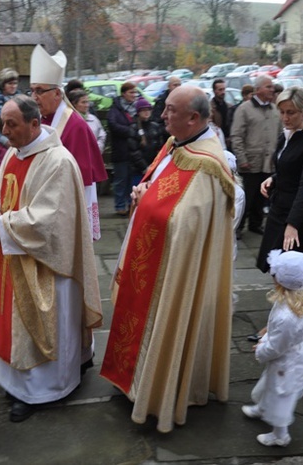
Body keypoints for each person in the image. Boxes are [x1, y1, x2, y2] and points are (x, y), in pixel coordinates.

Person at [101, 86, 235, 433]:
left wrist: (146, 201)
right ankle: (135, 381)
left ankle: (159, 388)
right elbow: (160, 187)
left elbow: (186, 222)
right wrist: (143, 193)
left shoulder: (208, 164)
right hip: (152, 259)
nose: (162, 115)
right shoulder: (176, 144)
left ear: (194, 118)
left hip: (173, 271)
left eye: (170, 110)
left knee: (165, 323)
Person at [0, 95, 102, 423]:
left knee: (45, 326)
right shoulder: (13, 152)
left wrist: (2, 224)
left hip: (47, 265)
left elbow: (50, 220)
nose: (5, 131)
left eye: (12, 124)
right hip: (13, 257)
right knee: (13, 325)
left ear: (35, 123)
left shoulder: (58, 161)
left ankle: (42, 390)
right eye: (3, 123)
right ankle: (16, 382)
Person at [29, 45, 106, 237]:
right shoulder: (40, 118)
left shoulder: (75, 126)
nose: (34, 97)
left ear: (57, 93)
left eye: (39, 91)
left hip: (67, 206)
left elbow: (80, 178)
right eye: (32, 91)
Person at [242, 250, 303, 448]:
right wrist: (267, 331)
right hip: (294, 354)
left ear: (279, 281)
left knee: (281, 396)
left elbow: (276, 347)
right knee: (271, 384)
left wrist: (260, 348)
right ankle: (263, 408)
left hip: (287, 362)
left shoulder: (287, 317)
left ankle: (280, 435)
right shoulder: (299, 294)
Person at [256, 87, 303, 273]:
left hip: (297, 215)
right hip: (278, 209)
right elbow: (289, 168)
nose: (285, 117)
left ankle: (294, 303)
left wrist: (293, 224)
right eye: (282, 112)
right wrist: (273, 179)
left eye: (290, 112)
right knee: (274, 267)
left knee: (289, 272)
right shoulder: (285, 136)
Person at [231, 76, 281, 235]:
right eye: (268, 87)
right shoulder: (244, 109)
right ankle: (239, 226)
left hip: (268, 163)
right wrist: (242, 158)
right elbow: (237, 136)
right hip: (250, 163)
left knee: (262, 196)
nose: (272, 90)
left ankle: (255, 224)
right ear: (258, 89)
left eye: (272, 87)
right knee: (246, 197)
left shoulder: (275, 110)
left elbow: (280, 136)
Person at [107, 81, 139, 216]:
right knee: (121, 179)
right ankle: (120, 205)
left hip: (135, 151)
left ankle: (129, 204)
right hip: (121, 150)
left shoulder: (136, 108)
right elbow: (113, 125)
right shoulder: (115, 109)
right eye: (131, 92)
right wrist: (130, 131)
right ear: (123, 94)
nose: (134, 95)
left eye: (135, 92)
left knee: (131, 180)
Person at [68, 88, 106, 153]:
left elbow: (102, 135)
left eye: (87, 102)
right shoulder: (69, 121)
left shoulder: (93, 119)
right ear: (74, 104)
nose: (87, 105)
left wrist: (97, 147)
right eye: (83, 102)